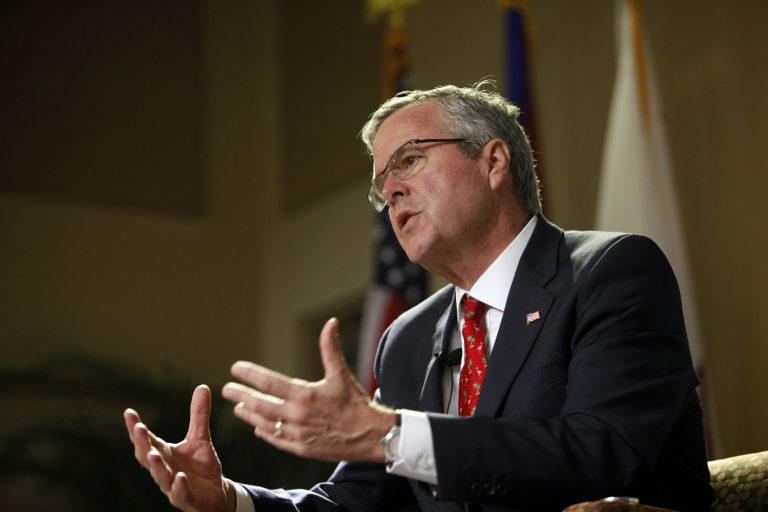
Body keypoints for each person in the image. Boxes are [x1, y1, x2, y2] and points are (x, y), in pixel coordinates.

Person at [124, 82, 714, 511]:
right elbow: (356, 504)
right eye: (383, 184)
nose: (393, 191)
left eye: (409, 160)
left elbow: (603, 451)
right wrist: (230, 501)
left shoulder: (612, 272)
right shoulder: (406, 340)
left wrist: (390, 434)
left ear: (494, 161)